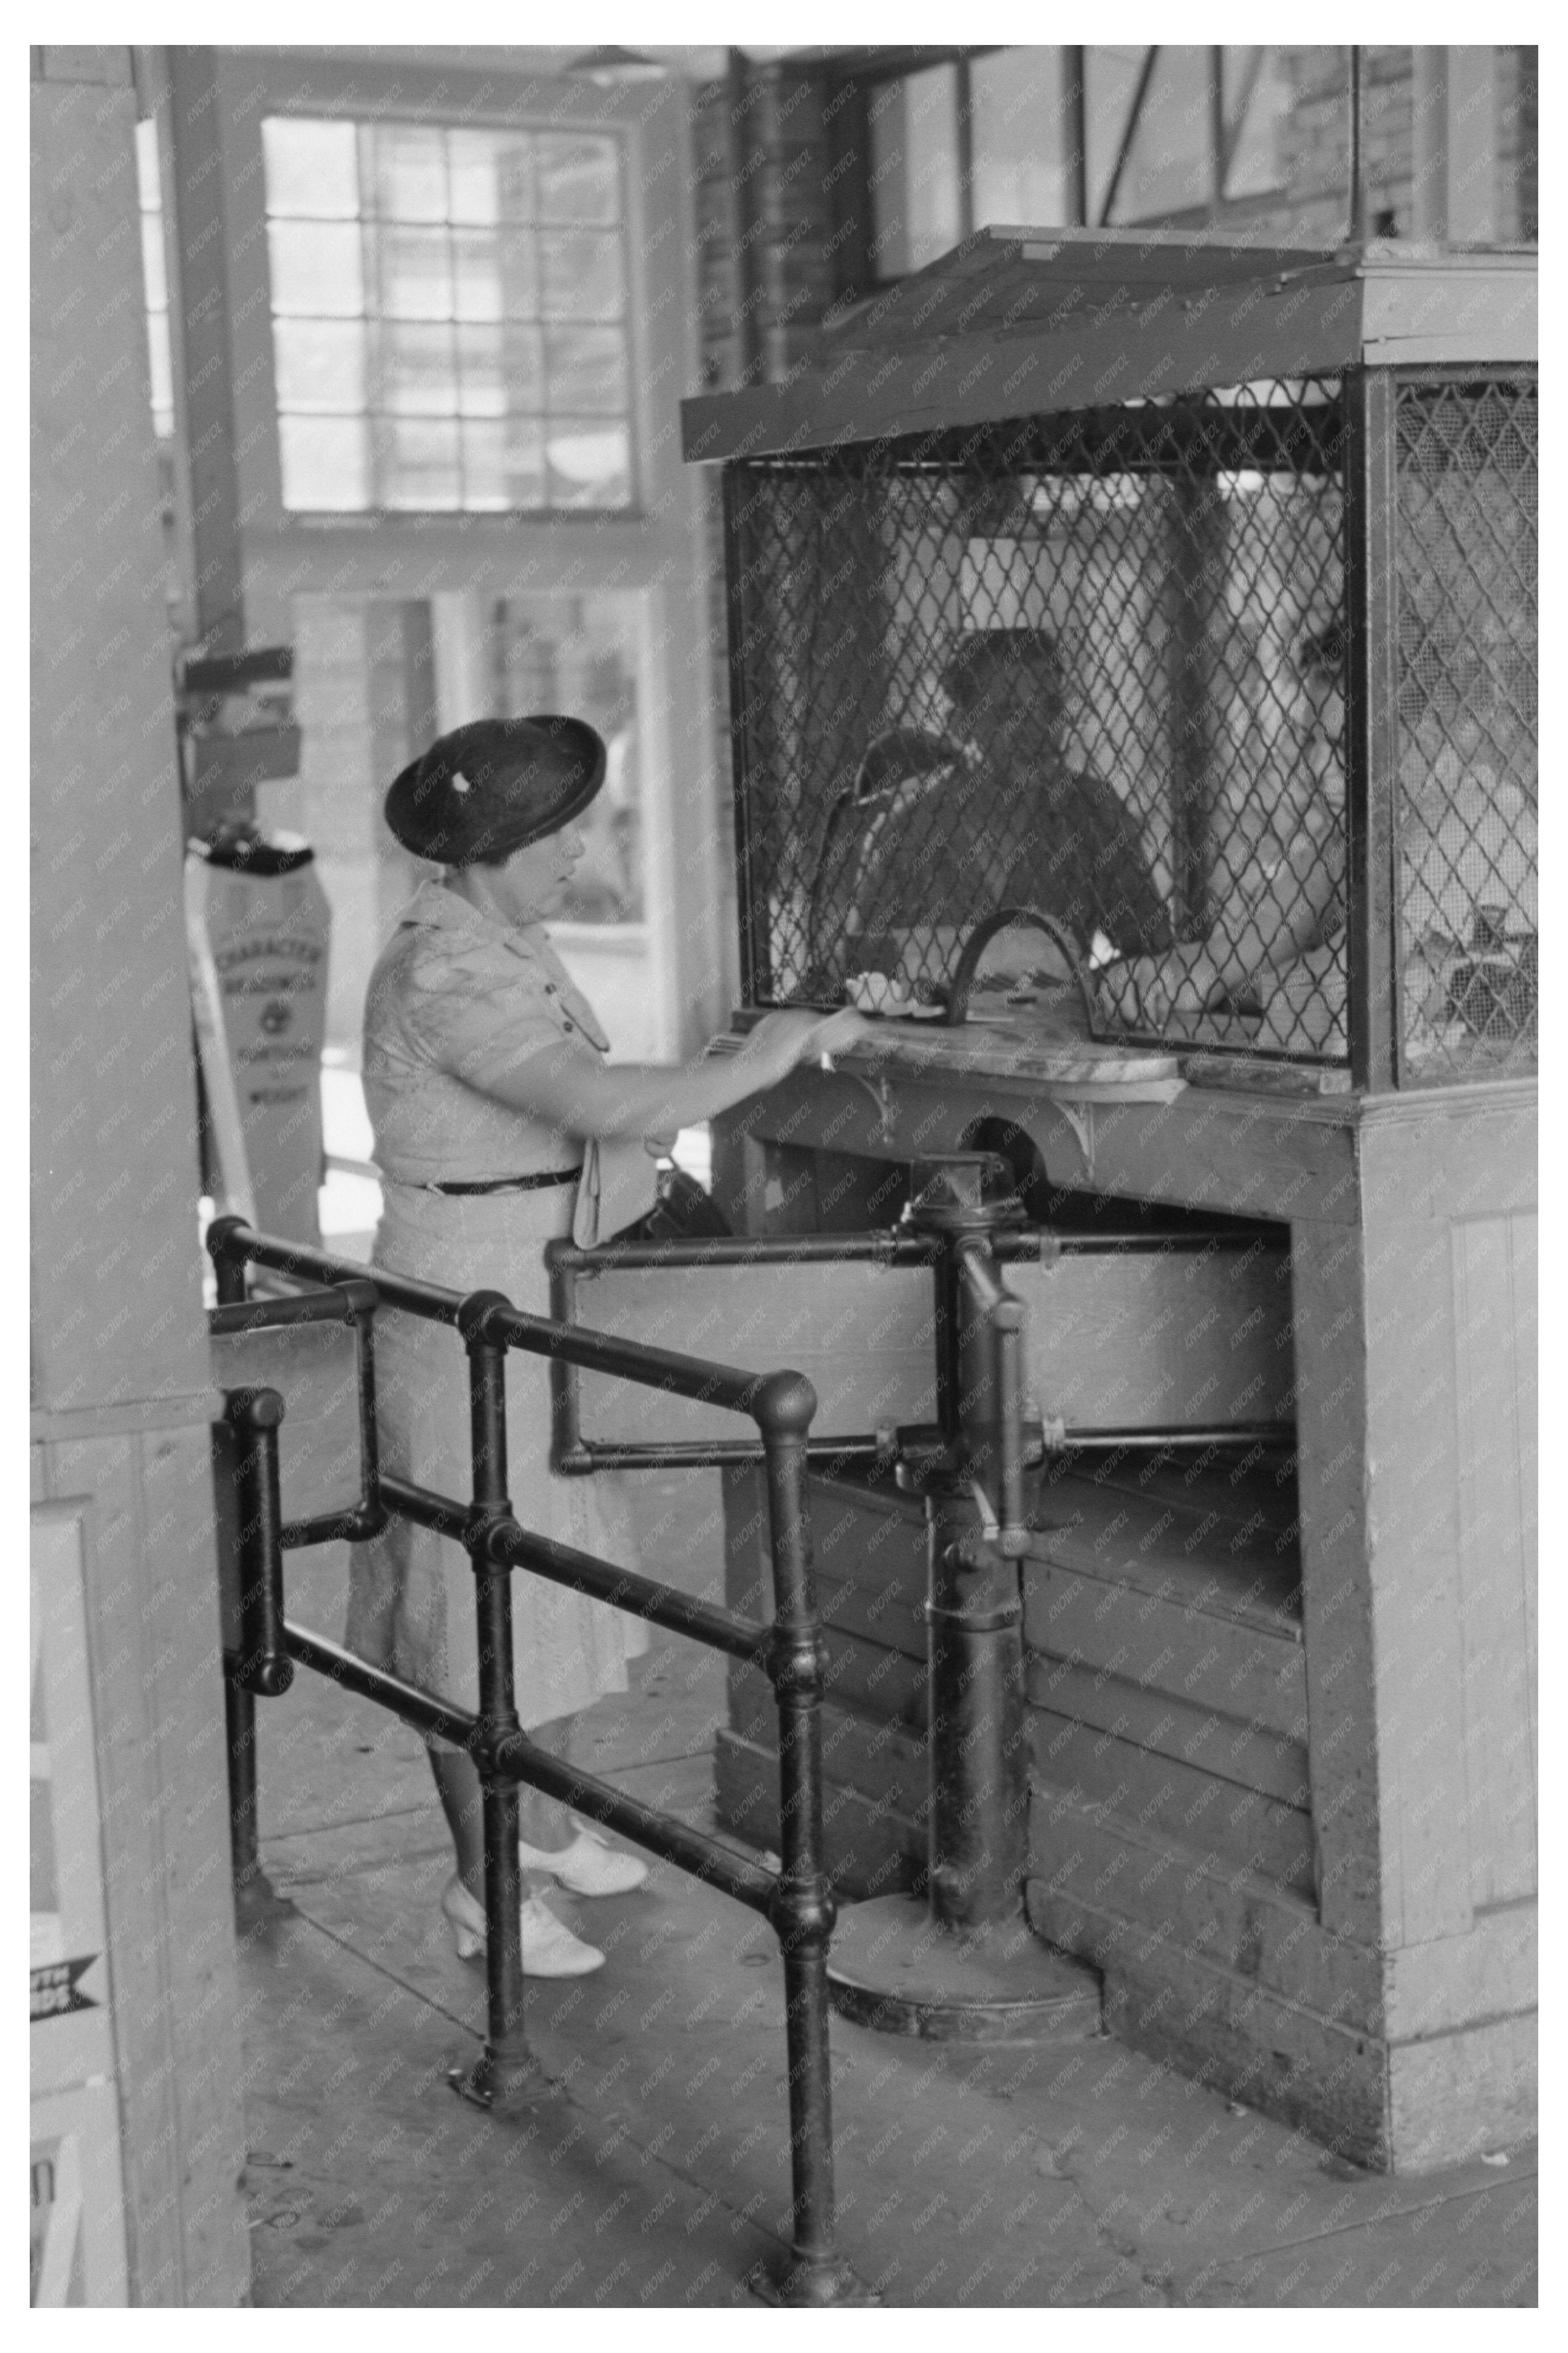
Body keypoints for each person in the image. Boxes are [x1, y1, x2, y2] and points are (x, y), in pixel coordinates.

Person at [347, 715, 869, 1976]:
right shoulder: (446, 970)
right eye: (558, 833)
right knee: (472, 1599)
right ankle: (483, 1888)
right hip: (466, 1298)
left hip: (530, 1278)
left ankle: (545, 1823)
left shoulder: (502, 939)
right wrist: (761, 1061)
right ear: (493, 848)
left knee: (546, 1568)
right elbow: (592, 1101)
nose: (579, 851)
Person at [814, 628, 1169, 1000]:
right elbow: (863, 971)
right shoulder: (910, 831)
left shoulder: (1091, 810)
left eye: (1049, 709)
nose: (1038, 732)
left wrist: (1093, 987)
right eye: (1010, 713)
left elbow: (1154, 952)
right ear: (961, 724)